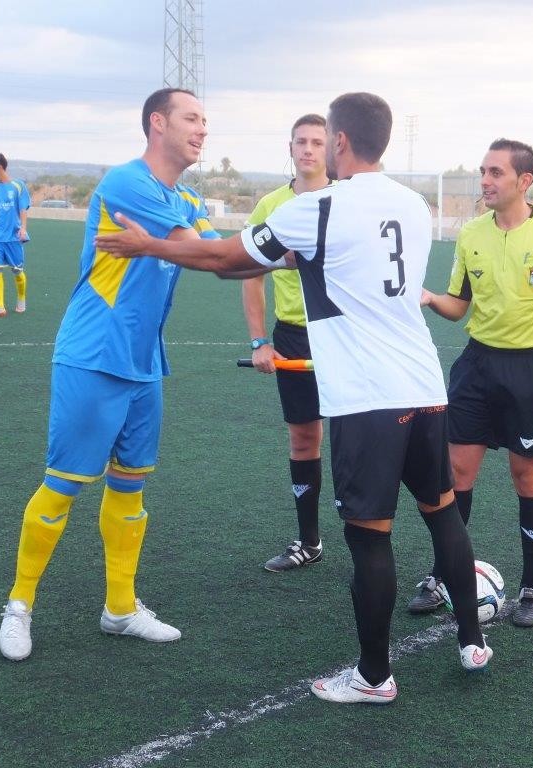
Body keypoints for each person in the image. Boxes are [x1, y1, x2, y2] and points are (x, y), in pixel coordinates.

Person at [96, 91, 491, 703]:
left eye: (324, 136)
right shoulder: (413, 205)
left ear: (338, 141)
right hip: (423, 385)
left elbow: (229, 260)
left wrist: (150, 245)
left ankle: (373, 677)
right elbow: (347, 270)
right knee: (442, 513)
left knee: (370, 536)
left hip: (367, 397)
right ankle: (472, 641)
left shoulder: (319, 208)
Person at [0, 88, 221, 662]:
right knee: (65, 484)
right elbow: (201, 252)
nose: (202, 130)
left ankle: (120, 608)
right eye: (191, 118)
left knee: (130, 484)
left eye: (205, 121)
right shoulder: (128, 184)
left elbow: (228, 253)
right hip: (94, 355)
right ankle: (19, 605)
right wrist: (262, 251)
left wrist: (289, 248)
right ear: (157, 123)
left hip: (144, 363)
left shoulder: (184, 197)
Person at [416, 139, 533, 628]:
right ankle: (443, 576)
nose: (486, 181)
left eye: (496, 173)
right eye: (483, 172)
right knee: (456, 471)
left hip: (531, 370)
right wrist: (431, 299)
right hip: (476, 367)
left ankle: (532, 587)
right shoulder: (472, 233)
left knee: (528, 476)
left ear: (525, 180)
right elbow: (459, 305)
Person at [241, 114, 331, 572]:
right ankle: (309, 540)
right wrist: (260, 340)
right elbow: (251, 274)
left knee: (359, 438)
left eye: (318, 141)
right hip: (294, 334)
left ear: (331, 146)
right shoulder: (272, 206)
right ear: (290, 147)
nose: (309, 149)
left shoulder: (346, 199)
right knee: (303, 437)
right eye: (302, 142)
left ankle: (366, 537)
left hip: (344, 334)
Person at [0, 153, 30, 316]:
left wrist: (23, 228)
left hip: (13, 236)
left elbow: (23, 209)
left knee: (17, 272)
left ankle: (21, 300)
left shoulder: (18, 186)